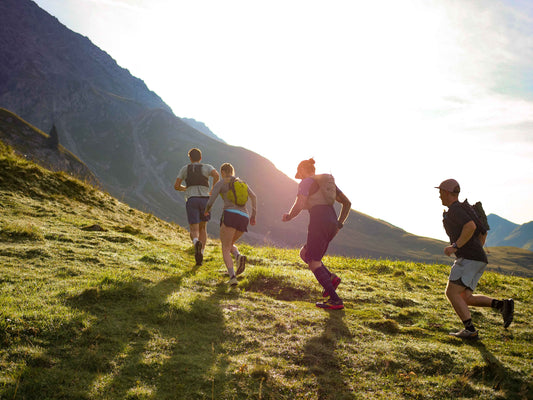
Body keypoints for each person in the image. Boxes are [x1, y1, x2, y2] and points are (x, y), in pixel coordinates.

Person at [436, 178, 514, 339]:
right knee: (465, 297)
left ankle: (470, 330)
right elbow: (482, 232)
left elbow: (470, 226)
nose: (439, 196)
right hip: (479, 259)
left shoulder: (456, 210)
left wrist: (456, 246)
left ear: (447, 193)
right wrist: (476, 249)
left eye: (440, 193)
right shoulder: (465, 209)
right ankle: (502, 305)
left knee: (451, 293)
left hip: (469, 258)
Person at [282, 158, 351, 310]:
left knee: (313, 262)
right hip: (331, 221)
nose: (299, 178)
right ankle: (331, 278)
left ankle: (335, 300)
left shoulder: (306, 182)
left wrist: (289, 216)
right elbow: (347, 203)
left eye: (299, 175)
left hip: (318, 221)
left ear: (302, 171)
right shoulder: (326, 184)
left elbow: (299, 204)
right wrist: (339, 223)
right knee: (305, 253)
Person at [204, 163, 257, 286]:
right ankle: (238, 256)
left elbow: (211, 199)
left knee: (225, 247)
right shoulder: (241, 182)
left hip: (230, 215)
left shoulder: (222, 183)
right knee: (230, 244)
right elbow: (254, 197)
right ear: (232, 172)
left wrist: (206, 210)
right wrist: (253, 215)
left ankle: (232, 277)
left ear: (222, 172)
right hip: (244, 217)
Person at [174, 148, 219, 266]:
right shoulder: (207, 167)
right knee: (203, 228)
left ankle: (195, 243)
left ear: (190, 158)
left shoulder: (185, 169)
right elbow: (216, 175)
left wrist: (186, 188)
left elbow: (176, 186)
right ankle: (202, 253)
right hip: (205, 200)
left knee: (194, 229)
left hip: (192, 199)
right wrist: (213, 189)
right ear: (200, 157)